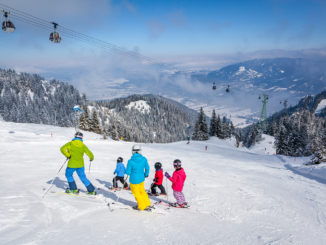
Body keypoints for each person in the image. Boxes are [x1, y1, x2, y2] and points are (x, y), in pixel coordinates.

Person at [126, 144, 151, 211]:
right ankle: (147, 203)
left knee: (136, 193)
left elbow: (128, 172)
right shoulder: (144, 159)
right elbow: (147, 168)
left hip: (134, 180)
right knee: (142, 191)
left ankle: (141, 205)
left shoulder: (130, 161)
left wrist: (128, 171)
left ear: (133, 151)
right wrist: (146, 174)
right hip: (141, 179)